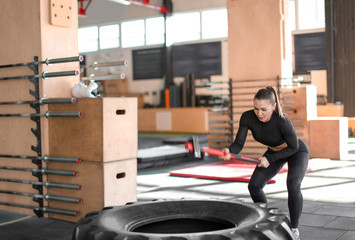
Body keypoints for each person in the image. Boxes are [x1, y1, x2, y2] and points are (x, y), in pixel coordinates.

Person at [222, 86, 309, 240]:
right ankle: (267, 220)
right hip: (274, 151)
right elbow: (238, 144)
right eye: (256, 108)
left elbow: (294, 147)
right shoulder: (247, 117)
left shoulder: (283, 121)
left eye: (264, 109)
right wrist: (229, 151)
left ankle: (294, 229)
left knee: (293, 185)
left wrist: (270, 159)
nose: (259, 113)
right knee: (254, 186)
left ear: (273, 106)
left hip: (296, 151)